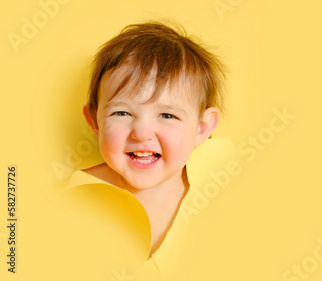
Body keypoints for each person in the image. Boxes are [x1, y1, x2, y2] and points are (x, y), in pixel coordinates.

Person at [62, 21, 231, 280]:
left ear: (202, 128)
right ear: (95, 121)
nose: (141, 133)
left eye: (166, 115)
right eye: (122, 113)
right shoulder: (77, 198)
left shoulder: (222, 187)